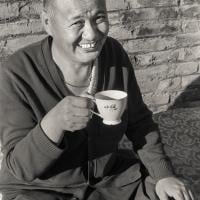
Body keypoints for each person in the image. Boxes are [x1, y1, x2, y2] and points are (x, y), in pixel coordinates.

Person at [0, 0, 194, 199]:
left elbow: (140, 122)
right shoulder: (17, 74)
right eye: (77, 22)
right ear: (48, 22)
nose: (92, 34)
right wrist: (54, 123)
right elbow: (19, 168)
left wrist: (163, 175)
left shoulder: (113, 55)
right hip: (41, 189)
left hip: (110, 182)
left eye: (99, 18)